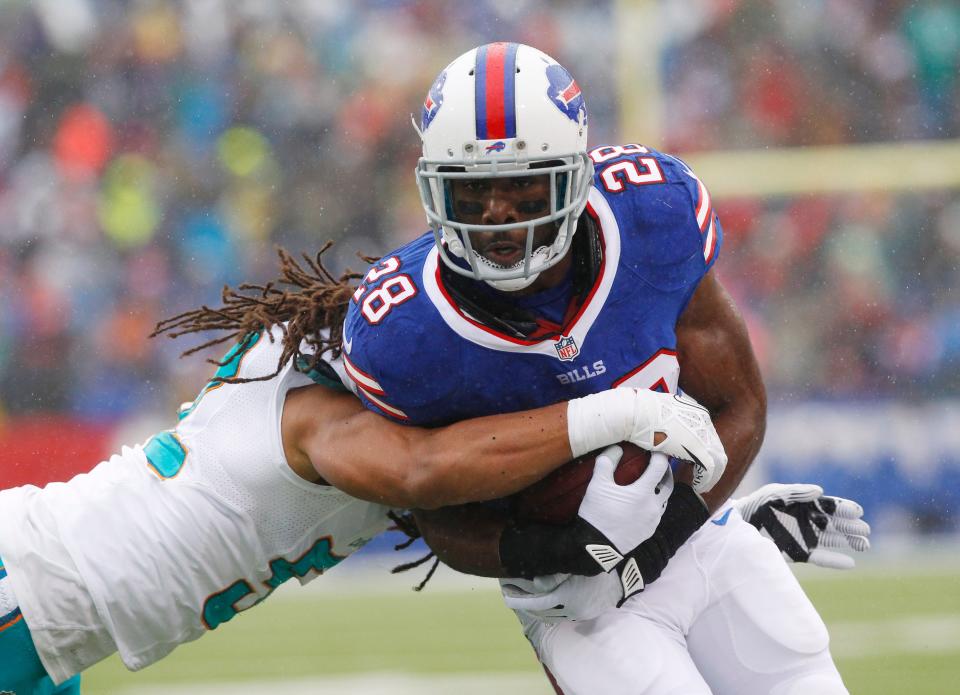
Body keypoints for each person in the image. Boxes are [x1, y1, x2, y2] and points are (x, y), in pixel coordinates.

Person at [342, 42, 870, 694]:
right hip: (577, 603)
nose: (500, 216)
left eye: (523, 184)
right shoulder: (407, 330)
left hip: (701, 542)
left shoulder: (652, 216)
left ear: (575, 173)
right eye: (473, 192)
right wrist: (557, 554)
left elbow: (741, 408)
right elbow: (439, 515)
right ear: (434, 188)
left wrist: (664, 537)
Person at [0, 248, 727, 694]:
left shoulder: (347, 395)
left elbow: (490, 512)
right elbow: (422, 470)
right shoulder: (319, 416)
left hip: (55, 631)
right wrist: (616, 413)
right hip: (27, 591)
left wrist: (708, 527)